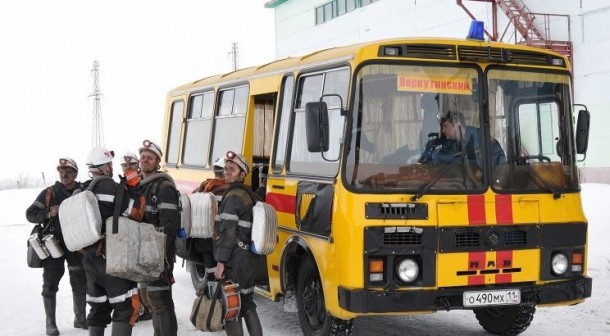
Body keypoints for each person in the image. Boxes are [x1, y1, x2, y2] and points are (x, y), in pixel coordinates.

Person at [26, 157, 88, 335]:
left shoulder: (83, 191)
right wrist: (48, 213)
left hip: (77, 245)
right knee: (50, 285)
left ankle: (80, 318)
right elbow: (30, 214)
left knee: (80, 283)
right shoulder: (49, 193)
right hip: (54, 245)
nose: (64, 174)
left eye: (68, 171)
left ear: (75, 174)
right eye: (61, 171)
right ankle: (50, 324)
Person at [81, 147, 139, 336]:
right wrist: (134, 188)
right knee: (126, 308)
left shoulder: (83, 190)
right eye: (110, 165)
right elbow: (135, 213)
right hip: (112, 258)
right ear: (105, 168)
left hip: (89, 260)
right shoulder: (113, 187)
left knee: (98, 310)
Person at [213, 151, 264, 336]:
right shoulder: (249, 195)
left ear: (242, 174)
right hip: (249, 258)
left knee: (231, 307)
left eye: (232, 169)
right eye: (226, 168)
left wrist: (220, 263)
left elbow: (227, 233)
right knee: (247, 302)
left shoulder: (233, 196)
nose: (227, 172)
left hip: (236, 258)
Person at [138, 140, 180, 336]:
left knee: (160, 299)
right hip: (141, 253)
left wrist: (160, 256)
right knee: (148, 298)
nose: (145, 160)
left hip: (158, 254)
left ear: (157, 162)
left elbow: (169, 226)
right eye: (143, 157)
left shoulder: (164, 187)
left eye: (150, 158)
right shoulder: (138, 186)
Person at [119, 151, 153, 322]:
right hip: (125, 237)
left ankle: (144, 308)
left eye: (131, 165)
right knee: (128, 277)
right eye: (125, 166)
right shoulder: (118, 186)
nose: (128, 168)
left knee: (142, 274)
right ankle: (134, 309)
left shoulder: (145, 185)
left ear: (137, 166)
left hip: (143, 235)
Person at [421, 111, 506, 167]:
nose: (443, 131)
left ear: (457, 124)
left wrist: (435, 156)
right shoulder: (452, 143)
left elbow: (465, 162)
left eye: (445, 126)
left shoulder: (481, 140)